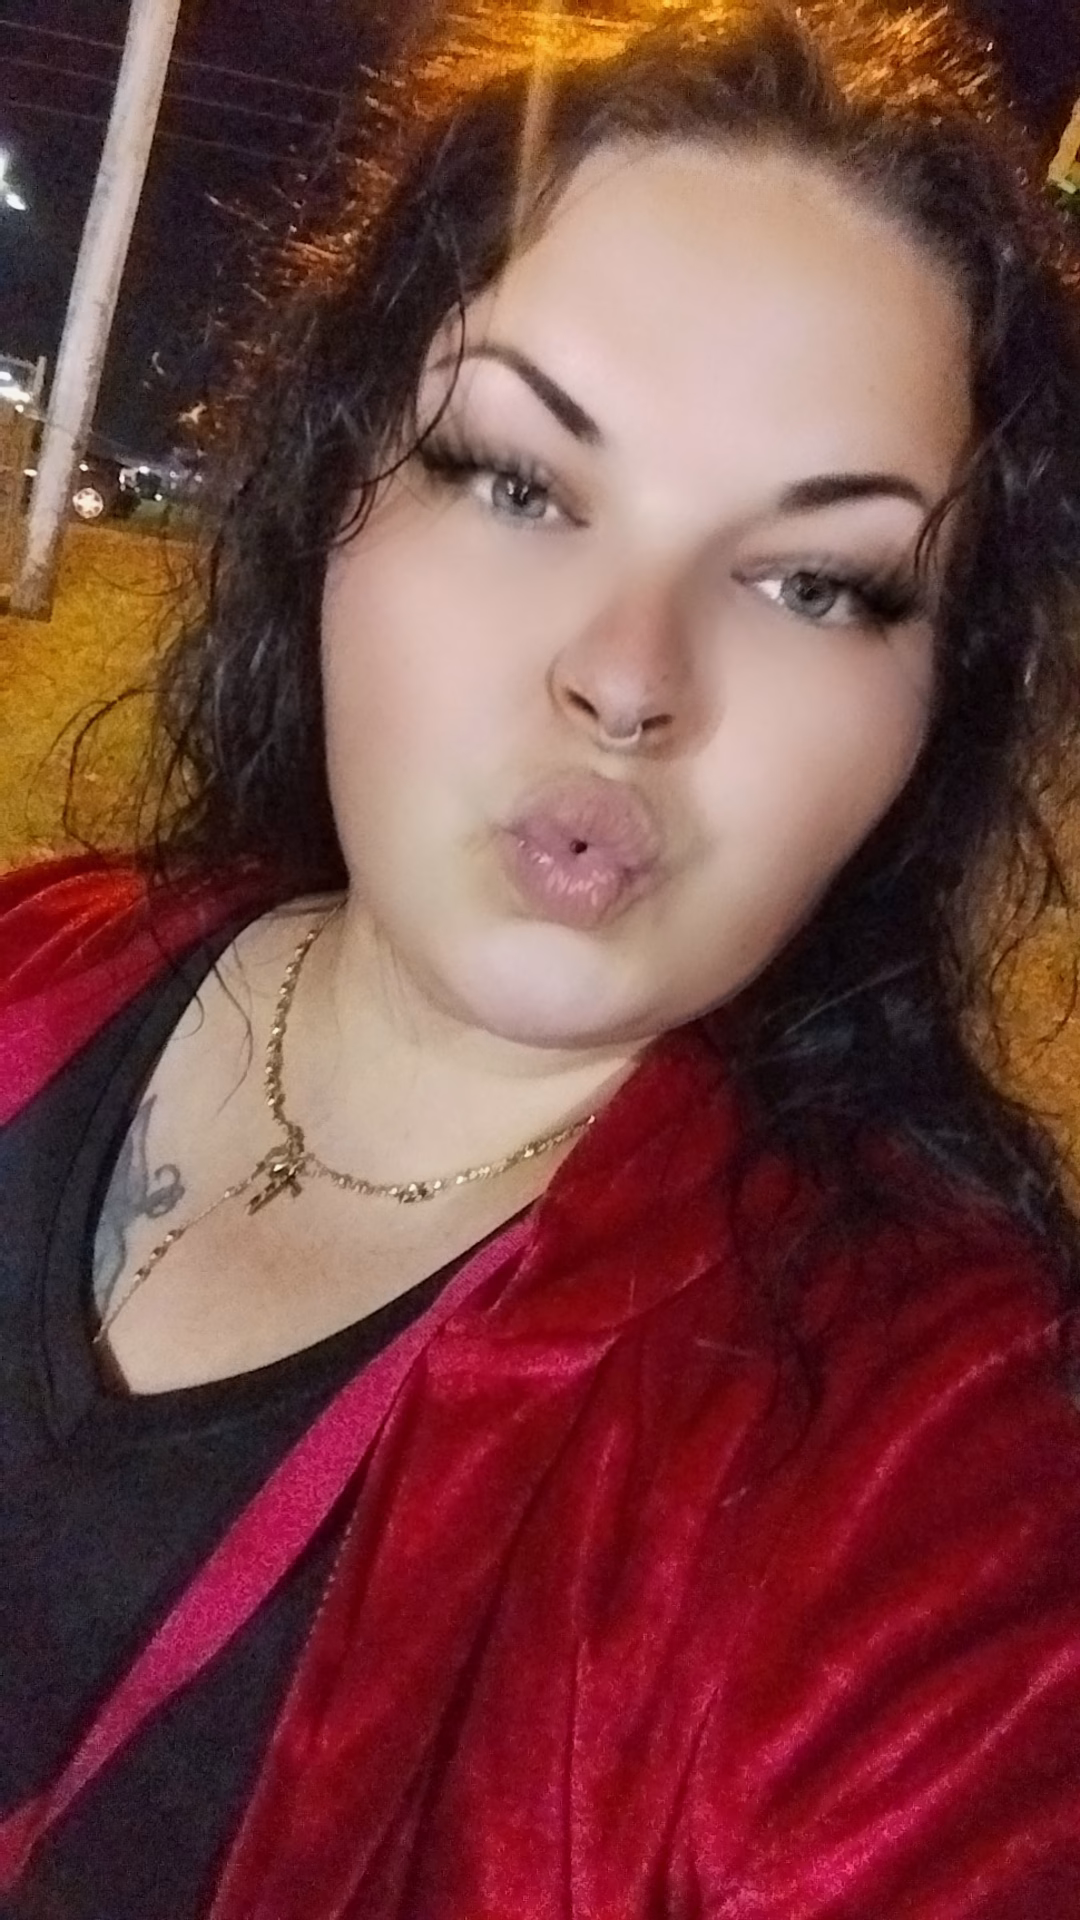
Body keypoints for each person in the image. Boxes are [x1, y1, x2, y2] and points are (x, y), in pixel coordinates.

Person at [2, 0, 1080, 1913]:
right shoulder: (34, 959)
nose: (628, 676)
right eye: (517, 483)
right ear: (332, 495)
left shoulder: (918, 1458)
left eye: (817, 581)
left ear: (942, 708)